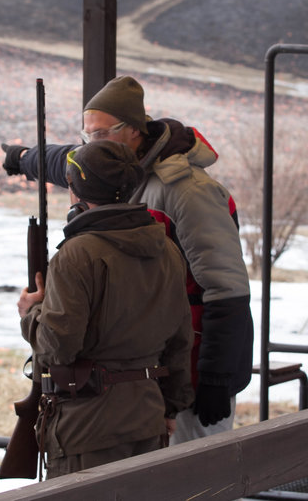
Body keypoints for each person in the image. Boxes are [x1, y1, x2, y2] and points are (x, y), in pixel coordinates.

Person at [4, 75, 254, 445]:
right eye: (88, 135)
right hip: (144, 375)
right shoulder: (114, 170)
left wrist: (216, 377)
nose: (92, 144)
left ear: (135, 130)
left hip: (193, 366)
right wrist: (25, 159)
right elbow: (67, 159)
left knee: (197, 476)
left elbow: (225, 290)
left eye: (101, 135)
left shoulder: (188, 192)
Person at [18, 139, 194, 479]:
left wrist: (30, 314)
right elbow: (180, 340)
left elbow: (59, 347)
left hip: (86, 431)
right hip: (147, 419)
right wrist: (170, 407)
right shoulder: (167, 250)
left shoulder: (77, 254)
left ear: (75, 189)